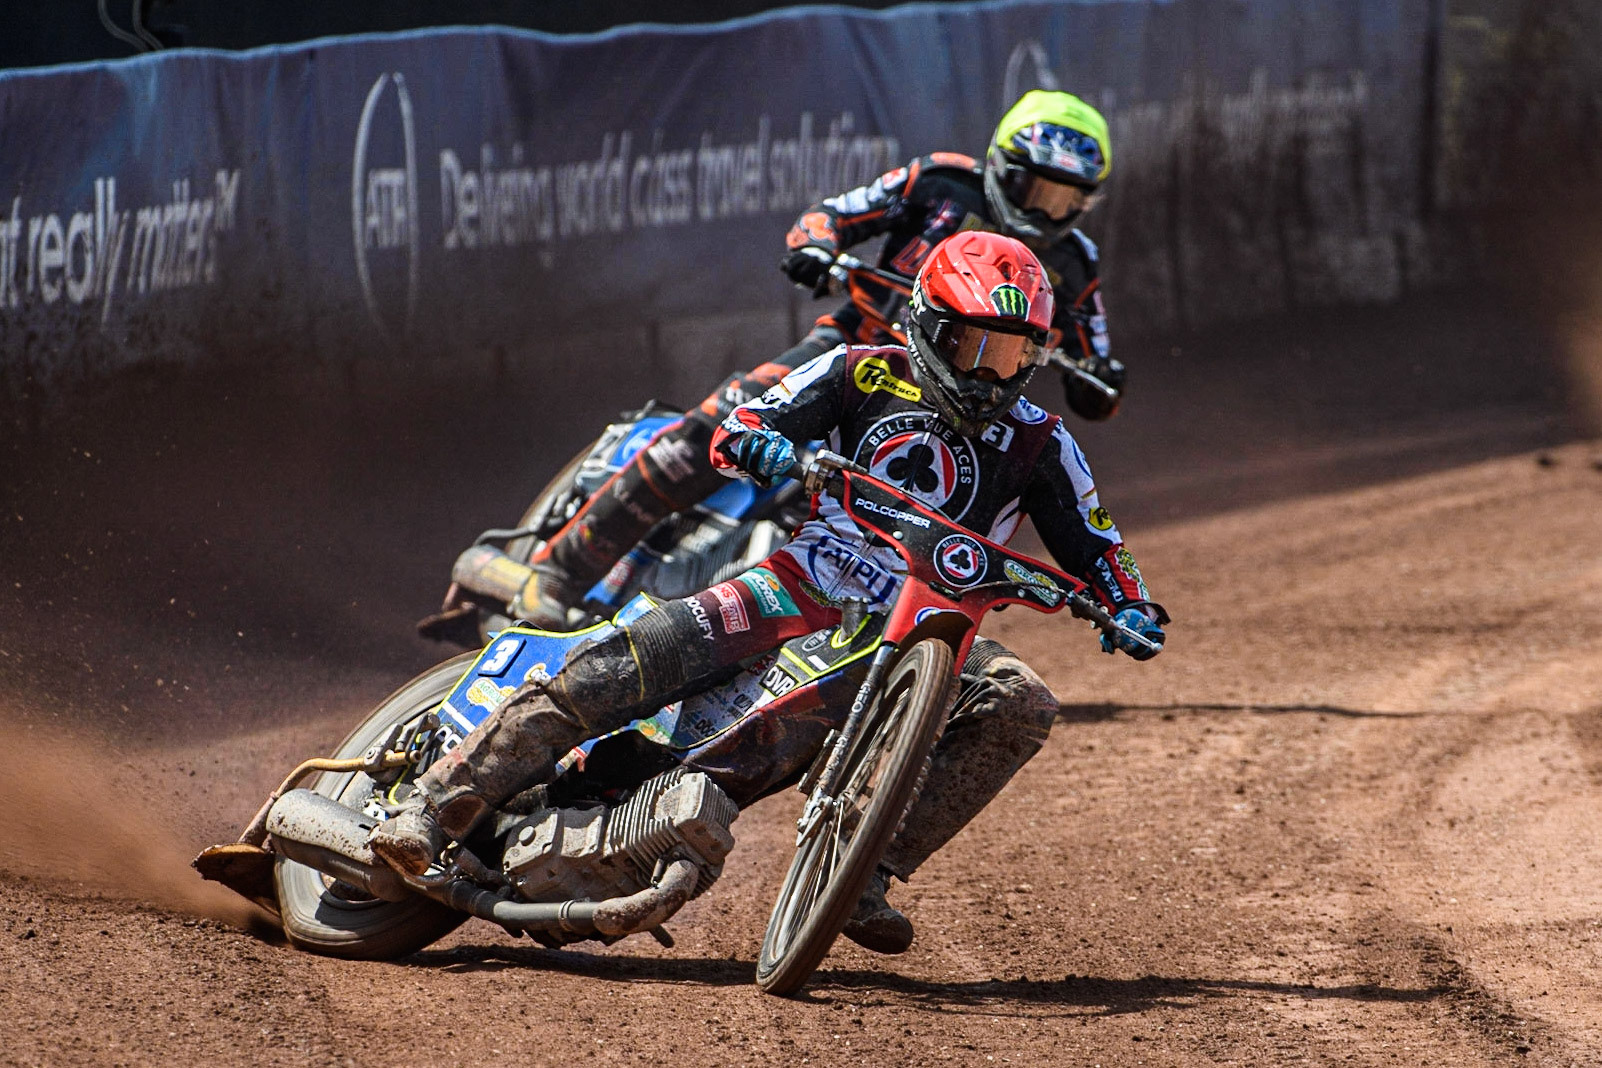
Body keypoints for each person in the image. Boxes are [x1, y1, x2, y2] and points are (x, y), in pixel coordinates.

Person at [373, 231, 1167, 956]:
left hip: (929, 624)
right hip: (800, 584)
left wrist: (1129, 604)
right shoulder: (860, 370)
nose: (988, 372)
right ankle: (436, 802)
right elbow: (742, 425)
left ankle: (865, 872)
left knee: (1021, 699)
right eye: (973, 346)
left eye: (1010, 355)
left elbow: (1098, 544)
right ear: (928, 323)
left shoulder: (1041, 441)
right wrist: (771, 449)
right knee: (622, 668)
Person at [506, 90, 1127, 629]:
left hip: (964, 401)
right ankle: (560, 571)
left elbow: (1093, 362)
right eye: (1035, 189)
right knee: (719, 424)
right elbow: (831, 216)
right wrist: (817, 247)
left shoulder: (1077, 263)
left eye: (1065, 199)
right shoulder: (941, 181)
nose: (1046, 210)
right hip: (856, 353)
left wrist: (1100, 379)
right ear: (999, 165)